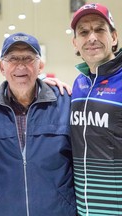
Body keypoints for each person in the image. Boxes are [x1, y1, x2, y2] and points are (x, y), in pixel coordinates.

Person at [0, 32, 77, 215]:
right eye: (13, 58)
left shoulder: (65, 103)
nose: (21, 65)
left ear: (40, 66)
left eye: (29, 58)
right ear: (2, 67)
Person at [70, 3, 122, 216]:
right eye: (84, 32)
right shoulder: (78, 84)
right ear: (75, 43)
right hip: (85, 210)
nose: (91, 37)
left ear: (114, 38)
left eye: (99, 29)